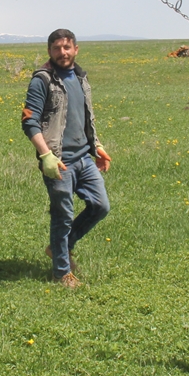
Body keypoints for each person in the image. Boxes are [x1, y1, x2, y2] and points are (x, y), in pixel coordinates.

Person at [22, 29, 112, 289]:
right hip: (59, 161)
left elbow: (83, 116)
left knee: (100, 206)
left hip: (84, 158)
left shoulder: (81, 77)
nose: (62, 52)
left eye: (66, 47)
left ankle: (60, 247)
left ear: (75, 49)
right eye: (56, 48)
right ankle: (62, 273)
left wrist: (97, 145)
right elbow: (29, 121)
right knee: (62, 215)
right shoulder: (42, 80)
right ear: (49, 51)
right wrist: (46, 155)